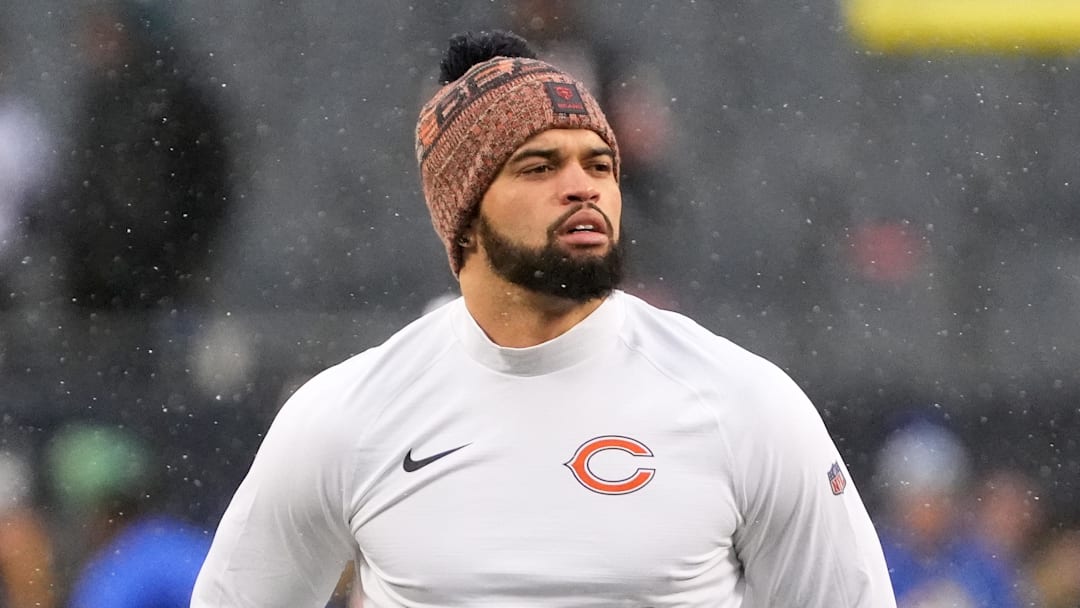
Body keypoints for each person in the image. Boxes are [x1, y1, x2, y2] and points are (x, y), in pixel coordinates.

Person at [192, 30, 896, 606]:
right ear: (463, 215)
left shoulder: (746, 405)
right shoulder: (346, 419)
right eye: (538, 166)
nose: (582, 187)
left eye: (599, 163)